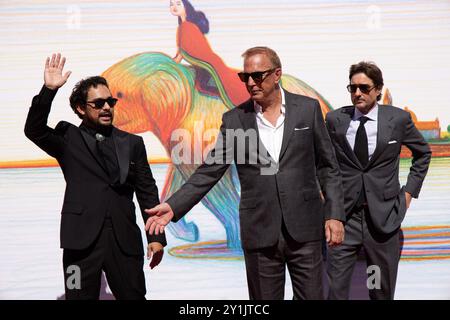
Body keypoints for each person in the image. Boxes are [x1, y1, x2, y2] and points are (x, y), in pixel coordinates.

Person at [145, 46, 345, 300]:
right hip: (260, 233)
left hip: (305, 230)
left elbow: (328, 166)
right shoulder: (235, 119)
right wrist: (174, 206)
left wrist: (335, 215)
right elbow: (210, 170)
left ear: (277, 74)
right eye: (245, 77)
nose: (250, 82)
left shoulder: (307, 109)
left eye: (258, 75)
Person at [24, 53, 166, 300]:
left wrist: (155, 236)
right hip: (78, 243)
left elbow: (146, 190)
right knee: (76, 296)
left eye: (110, 101)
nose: (107, 107)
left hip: (124, 241)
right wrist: (48, 90)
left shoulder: (132, 143)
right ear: (81, 108)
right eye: (98, 103)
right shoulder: (67, 139)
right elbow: (33, 129)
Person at [325, 61, 431, 300]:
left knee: (379, 291)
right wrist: (329, 207)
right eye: (352, 88)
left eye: (364, 87)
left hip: (383, 221)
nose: (357, 93)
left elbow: (423, 154)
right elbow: (324, 165)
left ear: (378, 90)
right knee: (335, 291)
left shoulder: (398, 119)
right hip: (345, 219)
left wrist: (407, 195)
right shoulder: (335, 120)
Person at [170, 0, 249, 108]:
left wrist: (174, 61)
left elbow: (185, 51)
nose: (174, 6)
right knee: (202, 86)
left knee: (229, 84)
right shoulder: (184, 27)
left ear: (186, 7)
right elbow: (182, 50)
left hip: (211, 62)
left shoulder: (187, 27)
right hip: (210, 62)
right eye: (171, 4)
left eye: (178, 4)